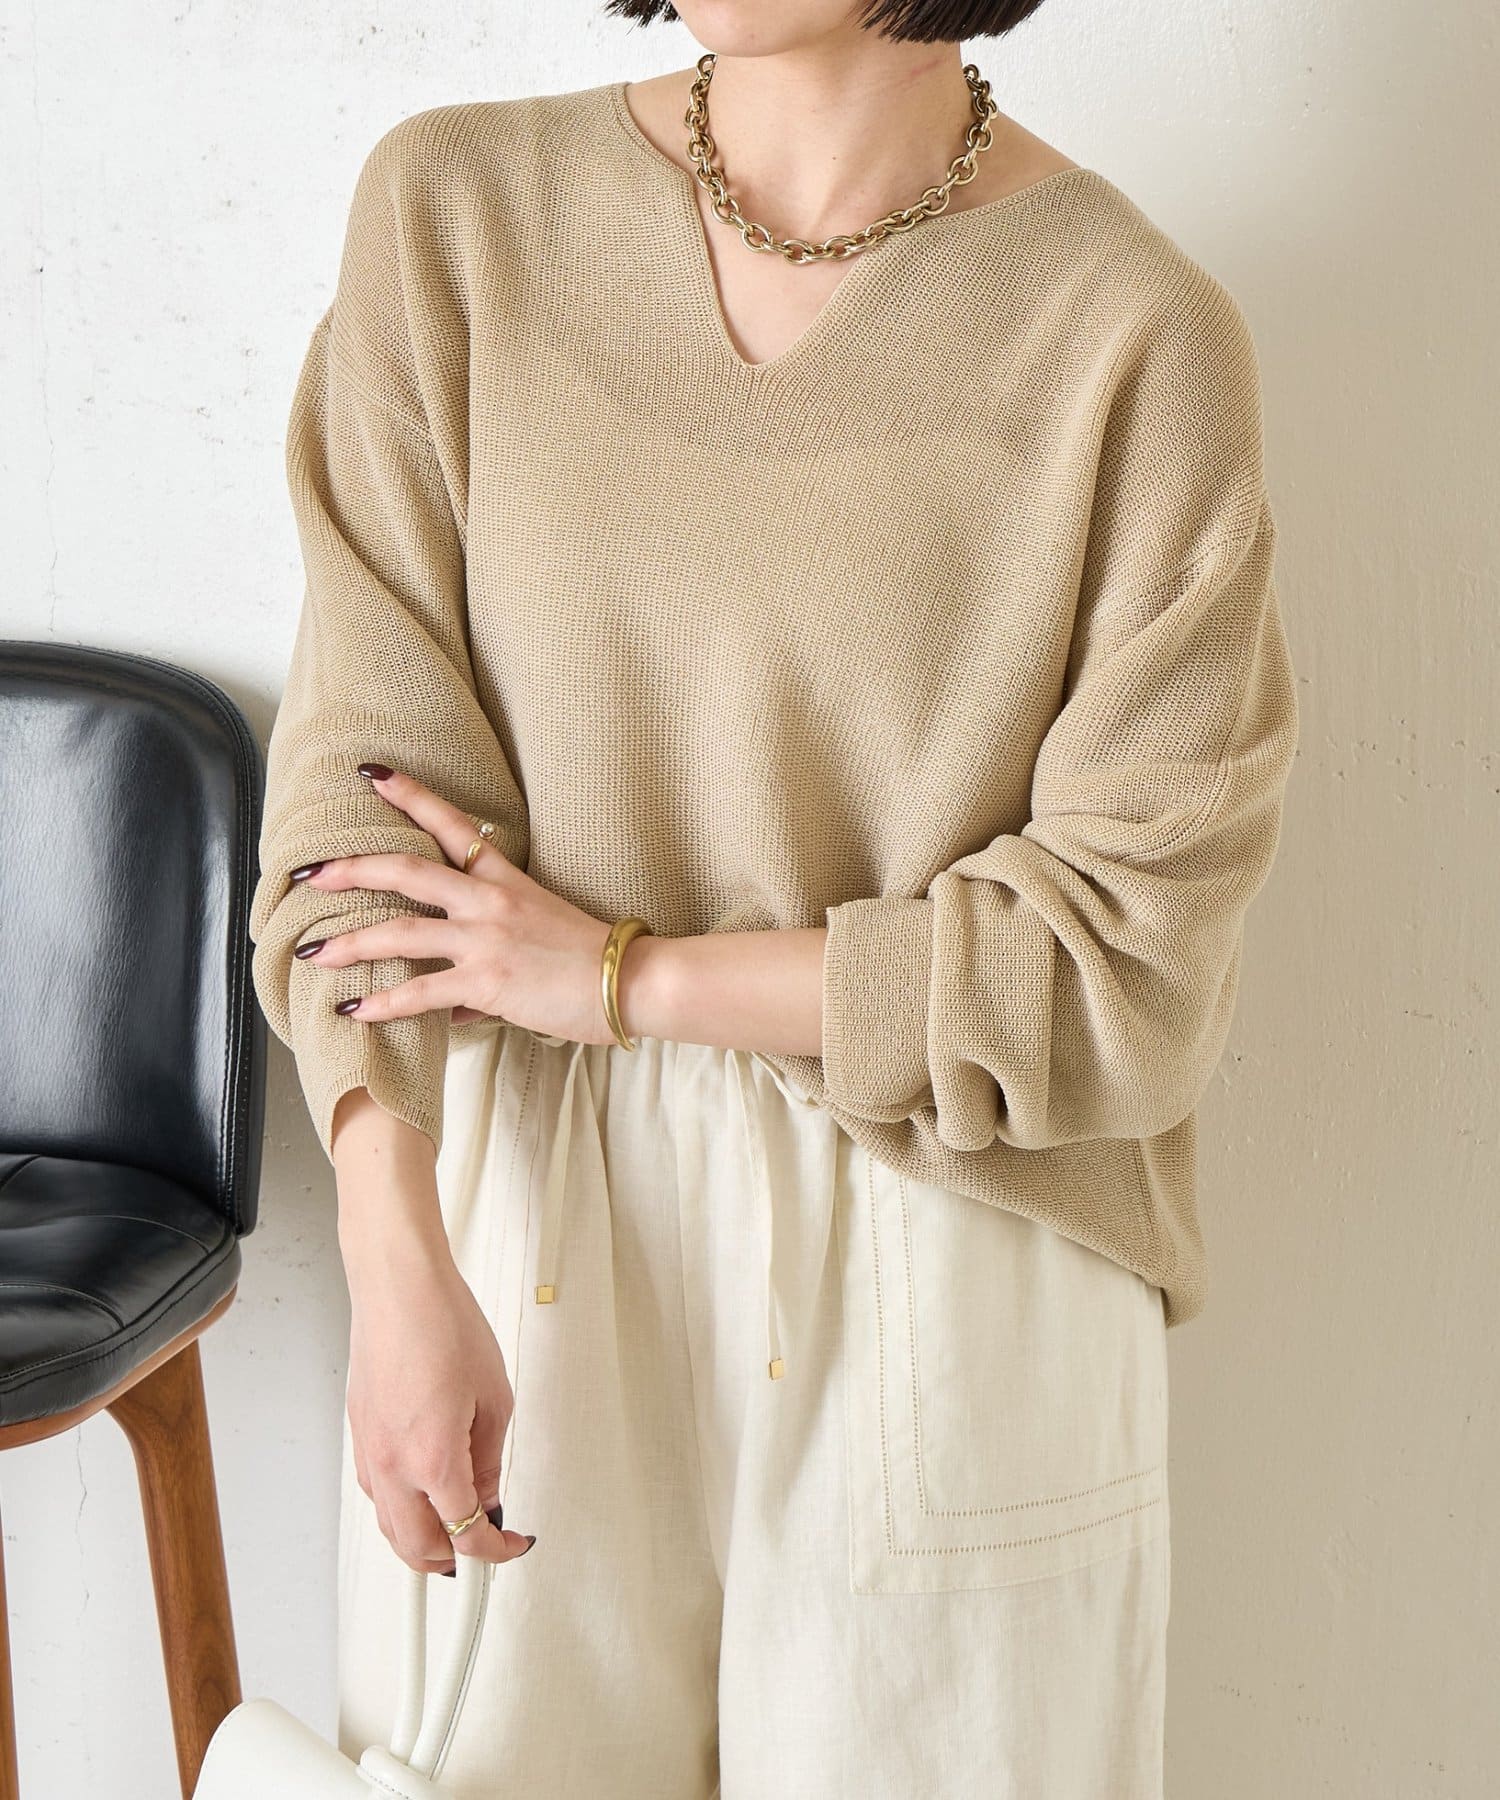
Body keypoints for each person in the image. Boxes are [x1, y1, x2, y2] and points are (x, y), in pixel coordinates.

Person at [247, 3, 1299, 1794]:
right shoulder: (459, 213)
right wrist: (394, 1249)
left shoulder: (1133, 334)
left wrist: (624, 979)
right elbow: (360, 803)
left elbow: (1134, 959)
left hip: (953, 1232)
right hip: (517, 1227)